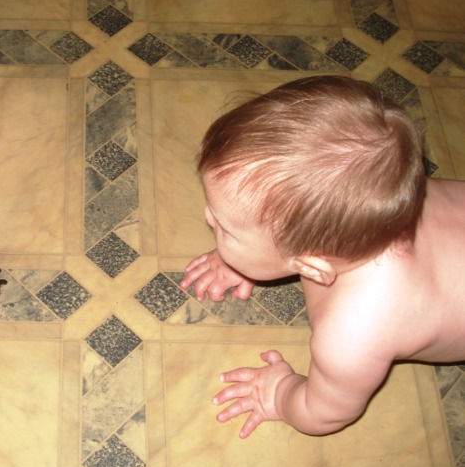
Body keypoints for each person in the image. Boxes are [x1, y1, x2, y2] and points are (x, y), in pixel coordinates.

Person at [179, 75, 465, 438]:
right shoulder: (380, 193)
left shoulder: (353, 333)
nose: (207, 217)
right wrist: (242, 255)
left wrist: (279, 394)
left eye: (226, 228)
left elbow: (326, 413)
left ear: (311, 266)